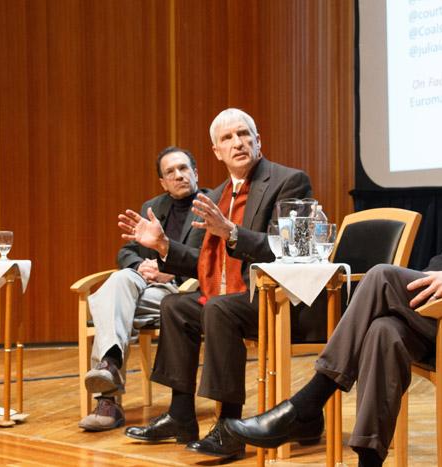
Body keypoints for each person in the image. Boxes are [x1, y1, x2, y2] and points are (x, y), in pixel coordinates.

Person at [223, 96, 442, 466]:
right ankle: (369, 461)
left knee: (382, 275)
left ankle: (307, 403)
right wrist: (430, 280)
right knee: (384, 330)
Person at [117, 108, 313, 459]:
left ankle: (230, 425)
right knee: (176, 305)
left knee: (219, 309)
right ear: (216, 152)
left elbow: (296, 249)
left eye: (244, 134)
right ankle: (180, 416)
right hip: (234, 298)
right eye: (227, 138)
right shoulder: (219, 193)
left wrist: (234, 233)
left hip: (278, 299)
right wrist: (163, 245)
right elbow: (203, 263)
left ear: (258, 140)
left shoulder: (289, 181)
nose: (237, 142)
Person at [78, 146, 207, 432]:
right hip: (144, 286)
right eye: (170, 172)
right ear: (163, 181)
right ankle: (109, 366)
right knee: (121, 280)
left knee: (111, 305)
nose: (178, 175)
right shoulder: (154, 206)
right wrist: (140, 266)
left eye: (184, 168)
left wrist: (169, 268)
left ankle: (108, 402)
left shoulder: (211, 204)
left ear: (195, 172)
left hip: (182, 289)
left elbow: (211, 258)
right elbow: (126, 251)